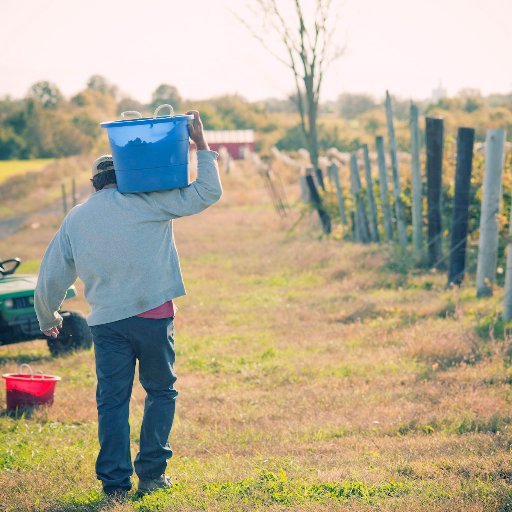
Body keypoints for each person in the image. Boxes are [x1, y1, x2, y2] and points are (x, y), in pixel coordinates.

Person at [34, 111, 222, 500]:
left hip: (106, 324)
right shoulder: (147, 199)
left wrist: (48, 314)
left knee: (113, 402)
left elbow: (52, 272)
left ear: (93, 184)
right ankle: (152, 475)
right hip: (153, 316)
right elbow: (207, 192)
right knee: (161, 392)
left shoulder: (76, 217)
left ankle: (115, 486)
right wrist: (200, 145)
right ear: (126, 173)